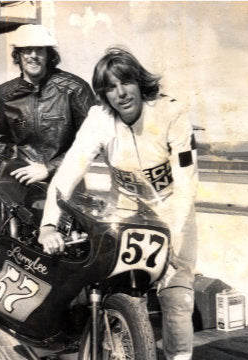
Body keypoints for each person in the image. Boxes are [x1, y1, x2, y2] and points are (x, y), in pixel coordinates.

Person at [38, 47, 198, 360]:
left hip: (172, 210)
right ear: (103, 94)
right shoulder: (99, 119)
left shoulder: (172, 113)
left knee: (176, 296)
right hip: (127, 211)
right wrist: (48, 223)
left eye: (126, 82)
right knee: (121, 292)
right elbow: (68, 172)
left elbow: (186, 183)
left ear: (140, 82)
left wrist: (175, 239)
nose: (120, 93)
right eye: (110, 87)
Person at [0, 24, 95, 185]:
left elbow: (91, 141)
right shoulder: (3, 94)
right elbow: (1, 139)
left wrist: (48, 168)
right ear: (17, 54)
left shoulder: (75, 89)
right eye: (27, 49)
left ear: (48, 54)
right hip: (22, 181)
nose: (33, 55)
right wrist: (0, 173)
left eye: (39, 49)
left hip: (67, 183)